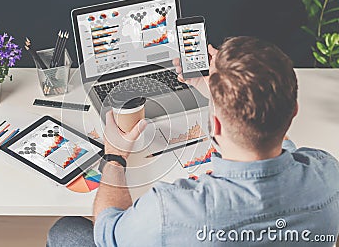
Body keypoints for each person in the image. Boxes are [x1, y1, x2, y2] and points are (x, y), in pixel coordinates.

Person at [47, 36, 339, 247]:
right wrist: (217, 94)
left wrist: (115, 156)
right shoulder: (328, 175)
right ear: (295, 111)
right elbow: (275, 144)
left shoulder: (169, 210)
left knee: (65, 231)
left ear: (214, 125)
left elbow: (108, 232)